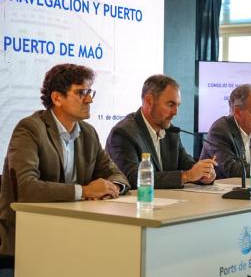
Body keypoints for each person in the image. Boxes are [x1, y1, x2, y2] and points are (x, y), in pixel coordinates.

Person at [0, 63, 130, 259]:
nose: (89, 99)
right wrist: (85, 191)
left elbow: (116, 174)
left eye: (90, 92)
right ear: (57, 98)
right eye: (81, 93)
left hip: (72, 229)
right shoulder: (30, 128)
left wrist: (112, 188)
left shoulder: (88, 132)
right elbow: (26, 188)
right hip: (30, 234)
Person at [105, 74, 216, 189]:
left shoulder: (171, 132)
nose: (175, 112)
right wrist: (186, 176)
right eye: (170, 104)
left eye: (177, 105)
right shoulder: (124, 133)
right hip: (137, 204)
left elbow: (188, 166)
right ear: (149, 101)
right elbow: (133, 178)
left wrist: (204, 174)